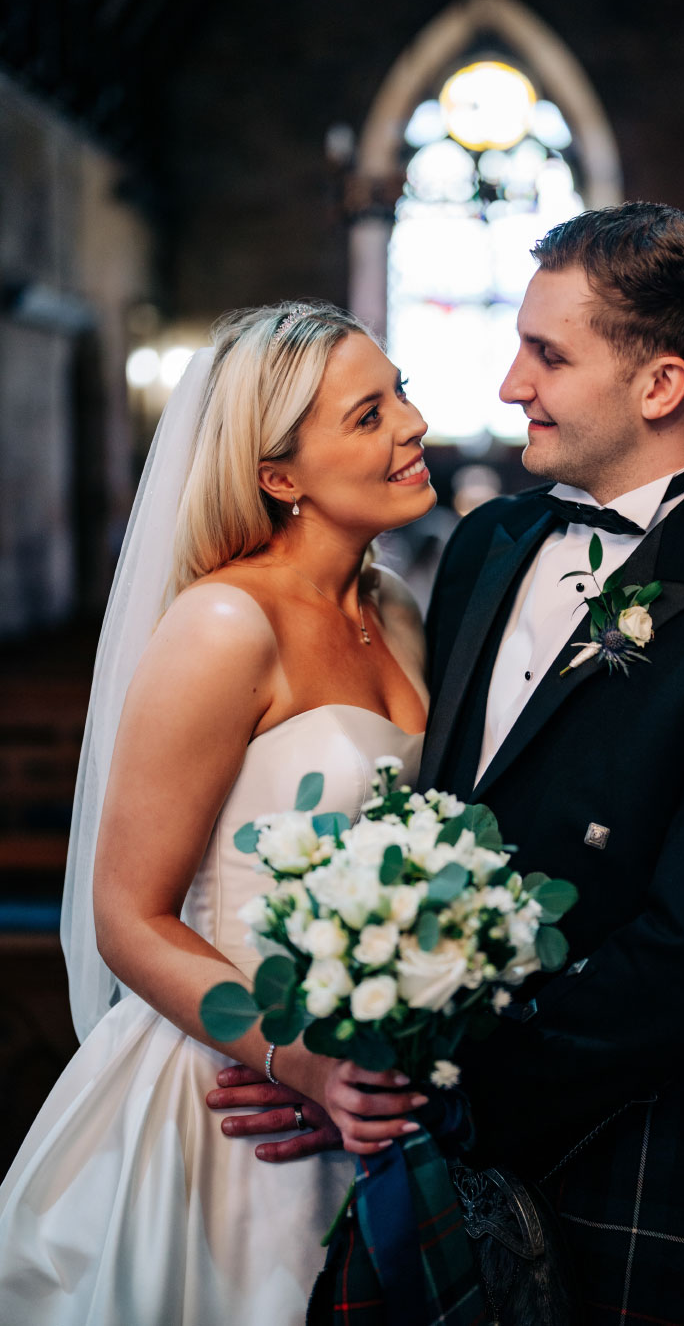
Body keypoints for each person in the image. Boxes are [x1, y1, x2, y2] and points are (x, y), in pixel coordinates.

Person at [214, 206, 684, 1325]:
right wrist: (355, 1054)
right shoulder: (490, 543)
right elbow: (442, 807)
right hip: (443, 1112)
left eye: (549, 354)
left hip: (655, 1129)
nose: (509, 382)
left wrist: (422, 1090)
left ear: (660, 383)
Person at [0, 302, 435, 1326]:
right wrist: (292, 1055)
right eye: (366, 415)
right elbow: (129, 916)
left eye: (400, 391)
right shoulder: (223, 624)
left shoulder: (400, 609)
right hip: (230, 1092)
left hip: (373, 1088)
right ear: (279, 473)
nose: (411, 425)